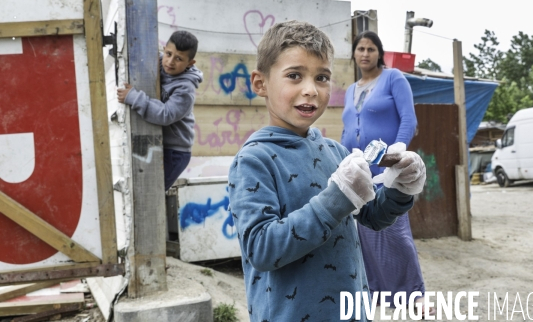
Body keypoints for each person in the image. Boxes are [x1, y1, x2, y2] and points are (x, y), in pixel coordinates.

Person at [228, 20, 427, 322]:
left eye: (321, 78)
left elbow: (371, 216)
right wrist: (336, 198)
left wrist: (400, 188)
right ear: (261, 83)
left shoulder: (336, 152)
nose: (310, 90)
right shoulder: (254, 160)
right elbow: (261, 248)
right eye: (294, 76)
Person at [341, 30, 433, 316]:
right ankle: (380, 293)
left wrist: (397, 152)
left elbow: (408, 118)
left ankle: (415, 295)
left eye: (370, 49)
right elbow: (348, 128)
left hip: (387, 168)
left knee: (395, 230)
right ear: (354, 54)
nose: (365, 54)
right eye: (360, 49)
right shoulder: (350, 89)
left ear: (379, 53)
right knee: (367, 233)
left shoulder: (394, 78)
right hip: (358, 169)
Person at [117, 30, 203, 190]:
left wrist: (134, 97)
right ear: (164, 49)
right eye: (169, 54)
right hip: (157, 143)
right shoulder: (157, 62)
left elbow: (166, 114)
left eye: (179, 59)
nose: (170, 62)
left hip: (175, 152)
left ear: (190, 63)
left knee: (152, 193)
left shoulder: (185, 89)